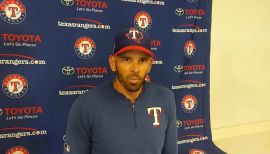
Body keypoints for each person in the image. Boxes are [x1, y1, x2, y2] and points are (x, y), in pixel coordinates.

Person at [63, 28, 178, 154]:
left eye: (142, 60)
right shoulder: (86, 105)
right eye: (126, 60)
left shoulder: (165, 98)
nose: (135, 69)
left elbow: (171, 150)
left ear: (150, 65)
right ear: (113, 62)